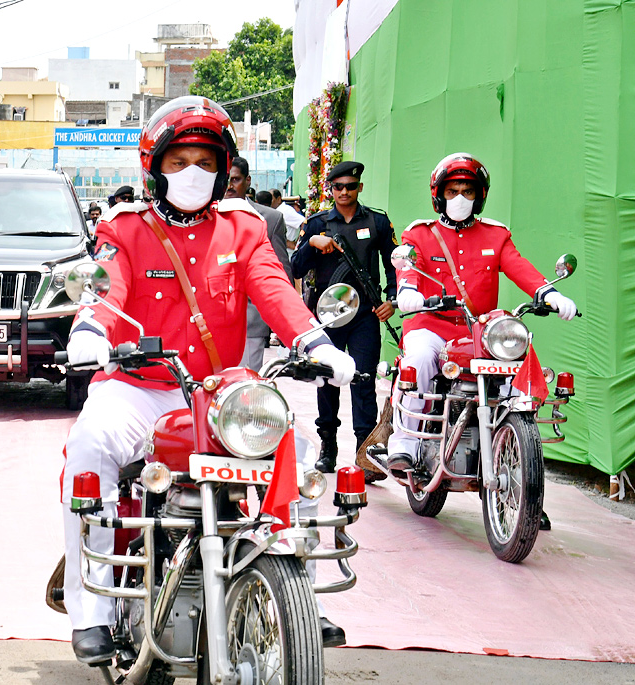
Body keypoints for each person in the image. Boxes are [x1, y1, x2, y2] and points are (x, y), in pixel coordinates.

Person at [61, 95, 357, 664]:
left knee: (284, 428)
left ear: (223, 169)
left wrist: (314, 340)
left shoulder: (244, 227)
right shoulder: (125, 227)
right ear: (154, 167)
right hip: (139, 386)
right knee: (91, 443)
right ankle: (91, 609)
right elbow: (105, 287)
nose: (192, 173)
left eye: (204, 161)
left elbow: (273, 287)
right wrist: (91, 331)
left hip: (217, 392)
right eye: (178, 162)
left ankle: (290, 581)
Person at [388, 154, 577, 477]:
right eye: (452, 191)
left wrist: (549, 293)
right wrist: (408, 292)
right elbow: (410, 270)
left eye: (468, 191)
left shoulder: (496, 235)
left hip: (481, 331)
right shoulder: (419, 234)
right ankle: (405, 440)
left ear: (480, 197)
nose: (460, 198)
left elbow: (520, 267)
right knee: (418, 357)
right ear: (439, 195)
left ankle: (524, 470)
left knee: (522, 364)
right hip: (431, 325)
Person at [291, 161, 398, 473]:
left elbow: (393, 266)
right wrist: (312, 243)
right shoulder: (316, 223)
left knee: (363, 381)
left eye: (351, 186)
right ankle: (328, 445)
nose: (345, 192)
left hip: (365, 314)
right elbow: (296, 267)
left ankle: (366, 453)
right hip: (328, 318)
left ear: (359, 188)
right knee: (328, 381)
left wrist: (391, 300)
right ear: (331, 189)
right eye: (338, 187)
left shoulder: (377, 222)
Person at [226, 158, 292, 372]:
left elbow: (281, 272)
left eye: (235, 179)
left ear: (247, 181)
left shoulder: (270, 219)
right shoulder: (204, 215)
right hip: (208, 321)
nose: (229, 186)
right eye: (226, 180)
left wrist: (282, 321)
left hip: (250, 323)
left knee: (245, 392)